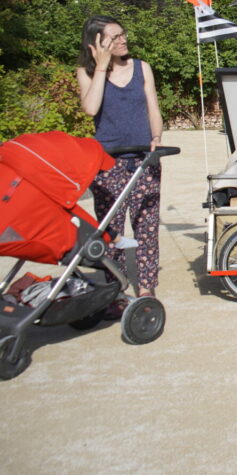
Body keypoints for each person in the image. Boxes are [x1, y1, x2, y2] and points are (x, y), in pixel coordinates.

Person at [75, 16, 164, 305]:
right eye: (113, 38)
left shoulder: (142, 68)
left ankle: (147, 288)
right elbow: (90, 108)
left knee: (146, 226)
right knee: (112, 232)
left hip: (143, 158)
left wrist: (157, 138)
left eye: (122, 34)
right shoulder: (85, 72)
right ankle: (116, 289)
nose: (122, 40)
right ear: (96, 45)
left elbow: (152, 106)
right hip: (107, 163)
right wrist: (101, 66)